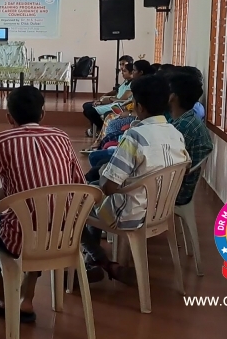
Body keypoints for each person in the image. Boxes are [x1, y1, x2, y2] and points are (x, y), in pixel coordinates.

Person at [0, 85, 85, 322]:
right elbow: (80, 185)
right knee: (43, 214)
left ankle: (2, 292)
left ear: (9, 118)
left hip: (20, 240)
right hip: (65, 236)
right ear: (42, 113)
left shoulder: (1, 141)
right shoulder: (62, 137)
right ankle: (27, 296)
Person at [81, 74, 190, 282]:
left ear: (139, 106)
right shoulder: (175, 133)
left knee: (77, 202)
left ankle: (97, 260)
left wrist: (104, 171)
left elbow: (109, 187)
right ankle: (94, 260)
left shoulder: (135, 136)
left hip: (130, 214)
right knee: (92, 189)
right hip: (161, 210)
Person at [166, 72, 213, 206]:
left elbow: (164, 163)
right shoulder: (188, 119)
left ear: (173, 97)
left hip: (176, 191)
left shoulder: (183, 127)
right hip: (178, 185)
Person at [82, 63, 134, 135]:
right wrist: (102, 101)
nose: (122, 73)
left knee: (90, 111)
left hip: (119, 105)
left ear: (131, 72)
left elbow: (122, 99)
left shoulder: (132, 84)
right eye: (122, 71)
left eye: (124, 71)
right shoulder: (125, 81)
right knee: (87, 105)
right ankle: (96, 129)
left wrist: (109, 99)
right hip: (114, 102)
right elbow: (117, 94)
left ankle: (100, 129)